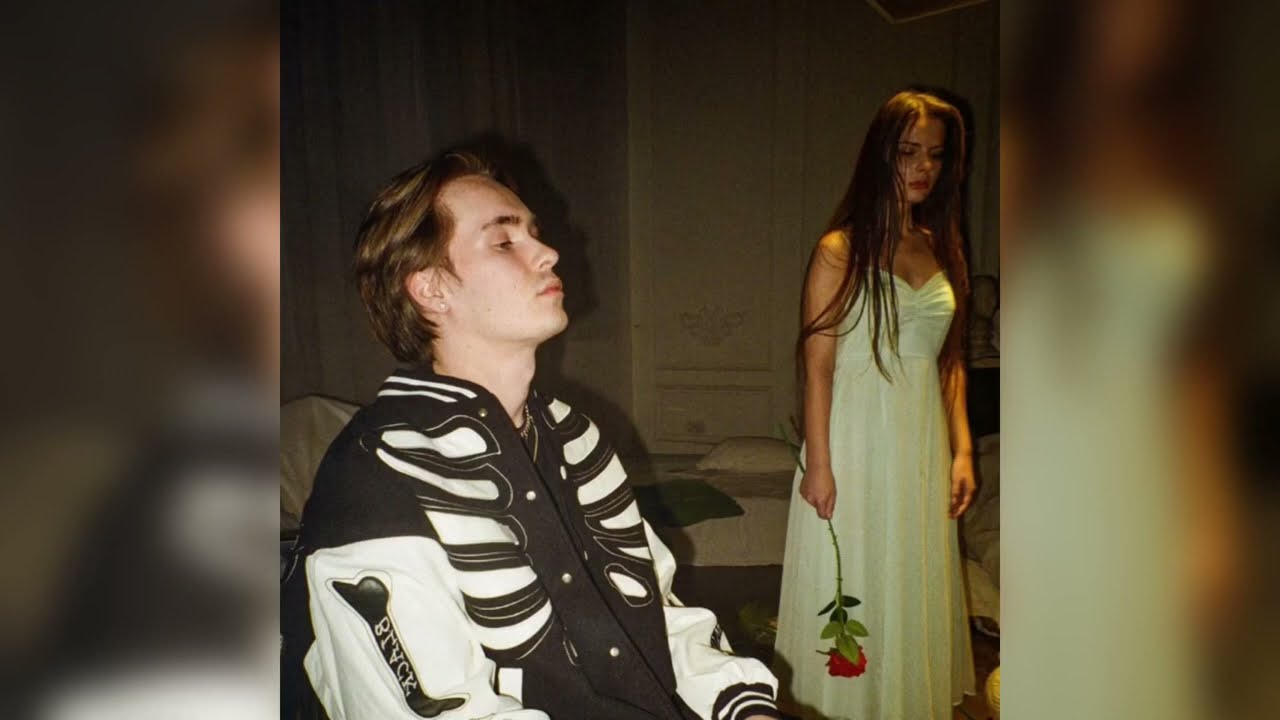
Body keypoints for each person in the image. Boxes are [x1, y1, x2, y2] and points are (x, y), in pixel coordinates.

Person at [280, 149, 781, 720]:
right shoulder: (376, 476)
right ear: (432, 289)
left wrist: (744, 705)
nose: (548, 253)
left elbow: (656, 614)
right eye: (504, 241)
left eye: (534, 234)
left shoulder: (576, 436)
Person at [771, 90, 977, 719]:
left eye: (935, 155)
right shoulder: (840, 249)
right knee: (856, 572)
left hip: (921, 443)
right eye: (909, 151)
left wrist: (964, 450)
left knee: (909, 574)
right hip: (854, 439)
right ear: (880, 154)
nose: (924, 167)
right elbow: (819, 364)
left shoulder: (941, 246)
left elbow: (948, 361)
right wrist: (820, 464)